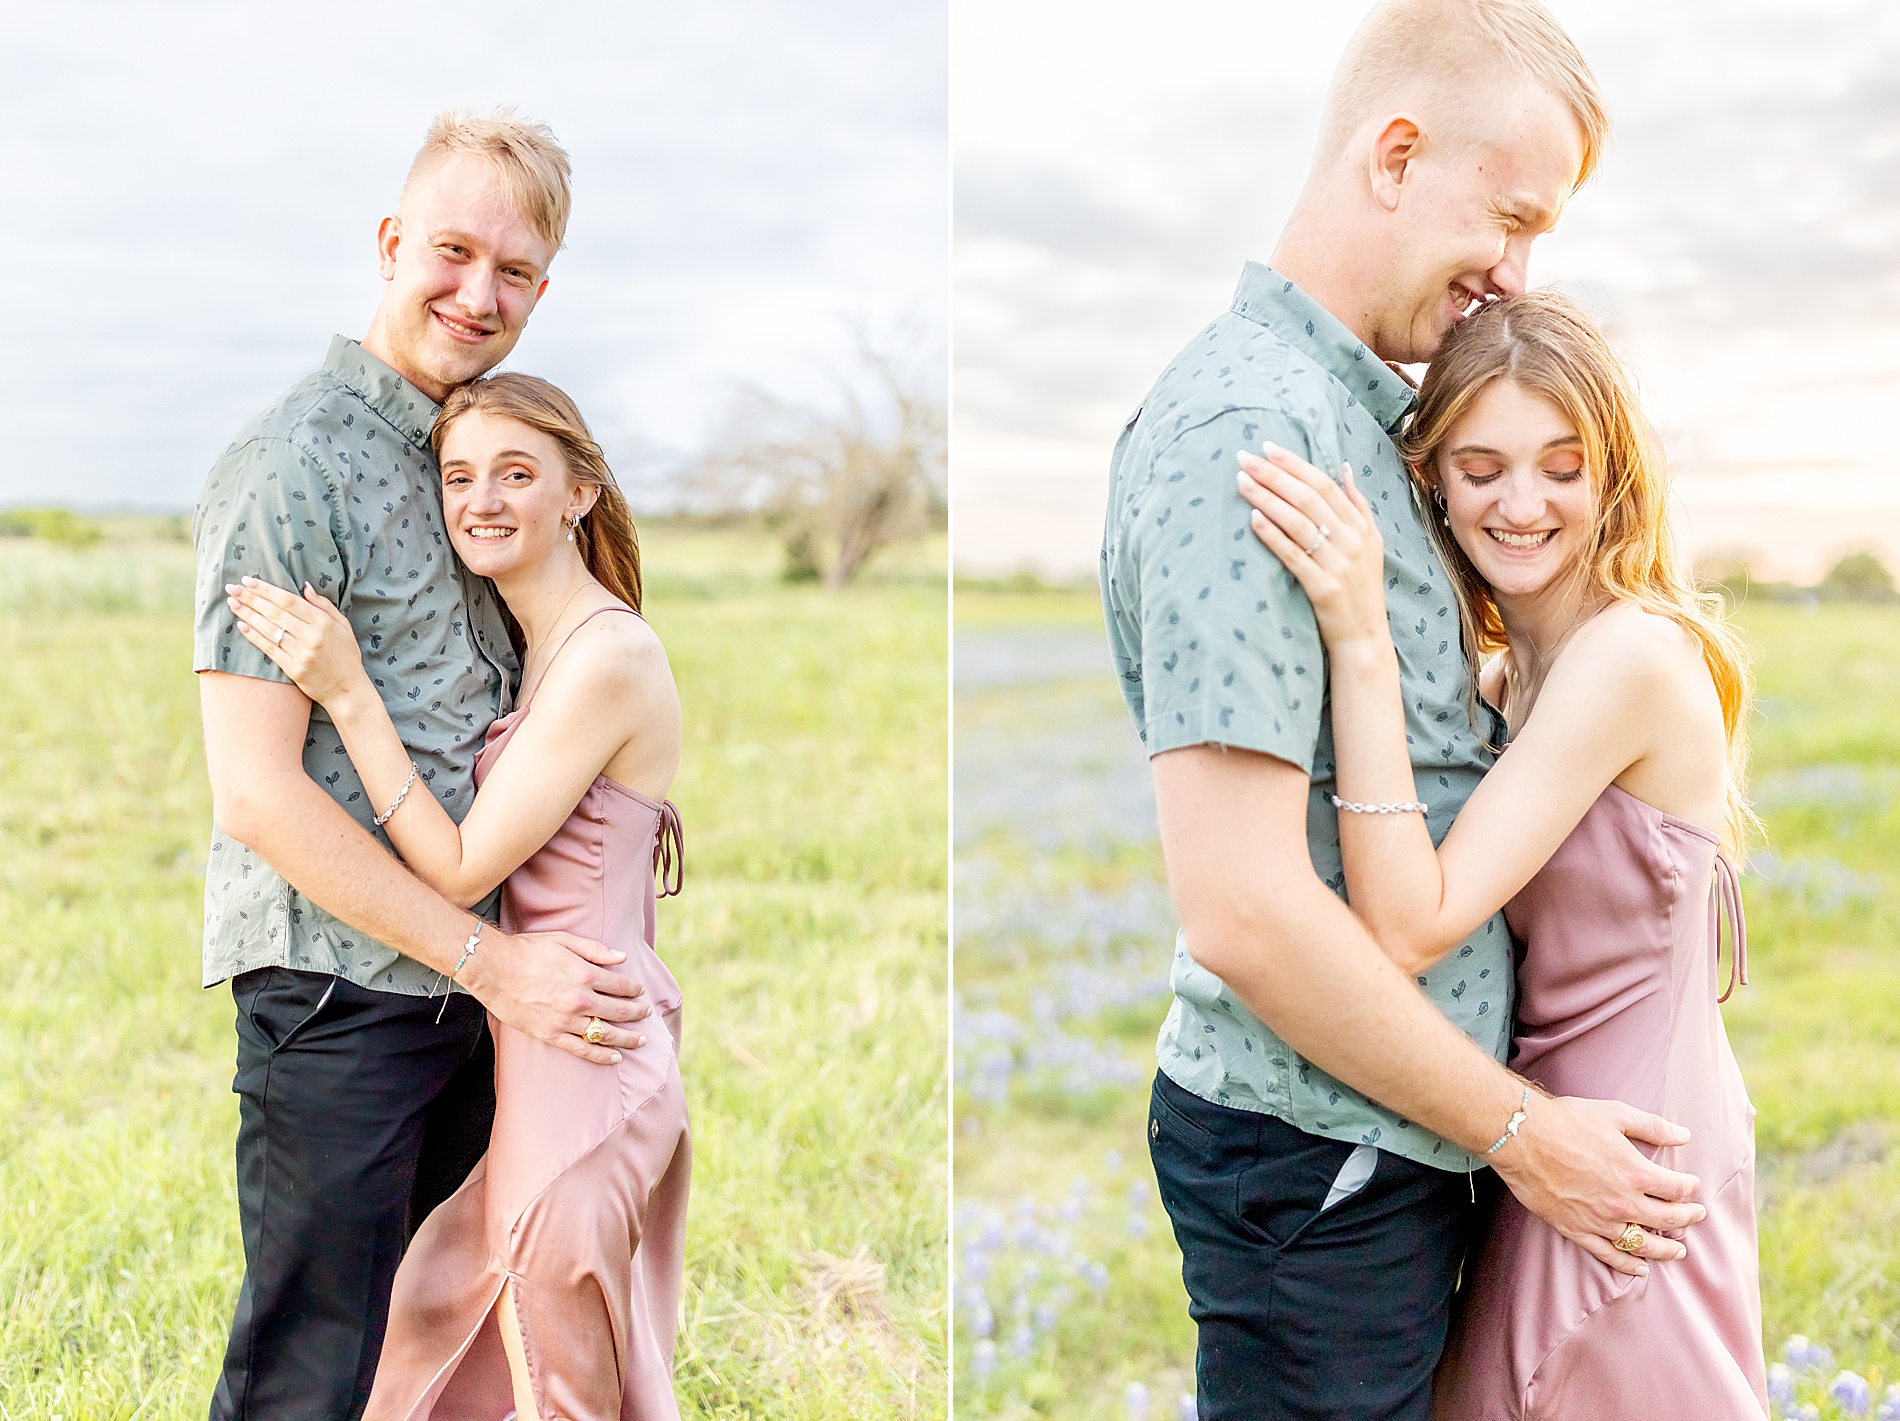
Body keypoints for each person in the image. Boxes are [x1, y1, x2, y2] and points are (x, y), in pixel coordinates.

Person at [1099, 3, 1705, 1416]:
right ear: (1394, 155)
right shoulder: (1251, 434)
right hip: (1327, 1151)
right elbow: (1243, 909)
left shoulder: (1363, 418)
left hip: (1402, 1138)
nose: (1517, 272)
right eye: (1511, 217)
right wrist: (1519, 1129)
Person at [192, 111, 653, 1421]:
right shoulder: (293, 462)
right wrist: (493, 962)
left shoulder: (476, 453)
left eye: (514, 271)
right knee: (309, 1378)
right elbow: (256, 792)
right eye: (453, 252)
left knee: (438, 1369)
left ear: (543, 290)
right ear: (391, 243)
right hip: (343, 999)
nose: (478, 293)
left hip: (483, 1003)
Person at [1237, 291, 1766, 1416]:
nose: (1521, 504)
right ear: (1431, 479)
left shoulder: (1629, 657)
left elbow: (1408, 922)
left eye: (1561, 468)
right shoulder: (1505, 678)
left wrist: (1361, 638)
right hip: (1546, 1132)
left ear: (1611, 475)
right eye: (1482, 469)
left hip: (1626, 1145)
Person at [228, 373, 688, 1420]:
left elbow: (461, 866)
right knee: (453, 1337)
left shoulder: (607, 654)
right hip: (543, 1038)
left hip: (583, 1048)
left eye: (516, 474)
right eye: (459, 475)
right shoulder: (540, 641)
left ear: (579, 492)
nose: (481, 499)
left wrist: (347, 691)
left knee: (558, 1369)